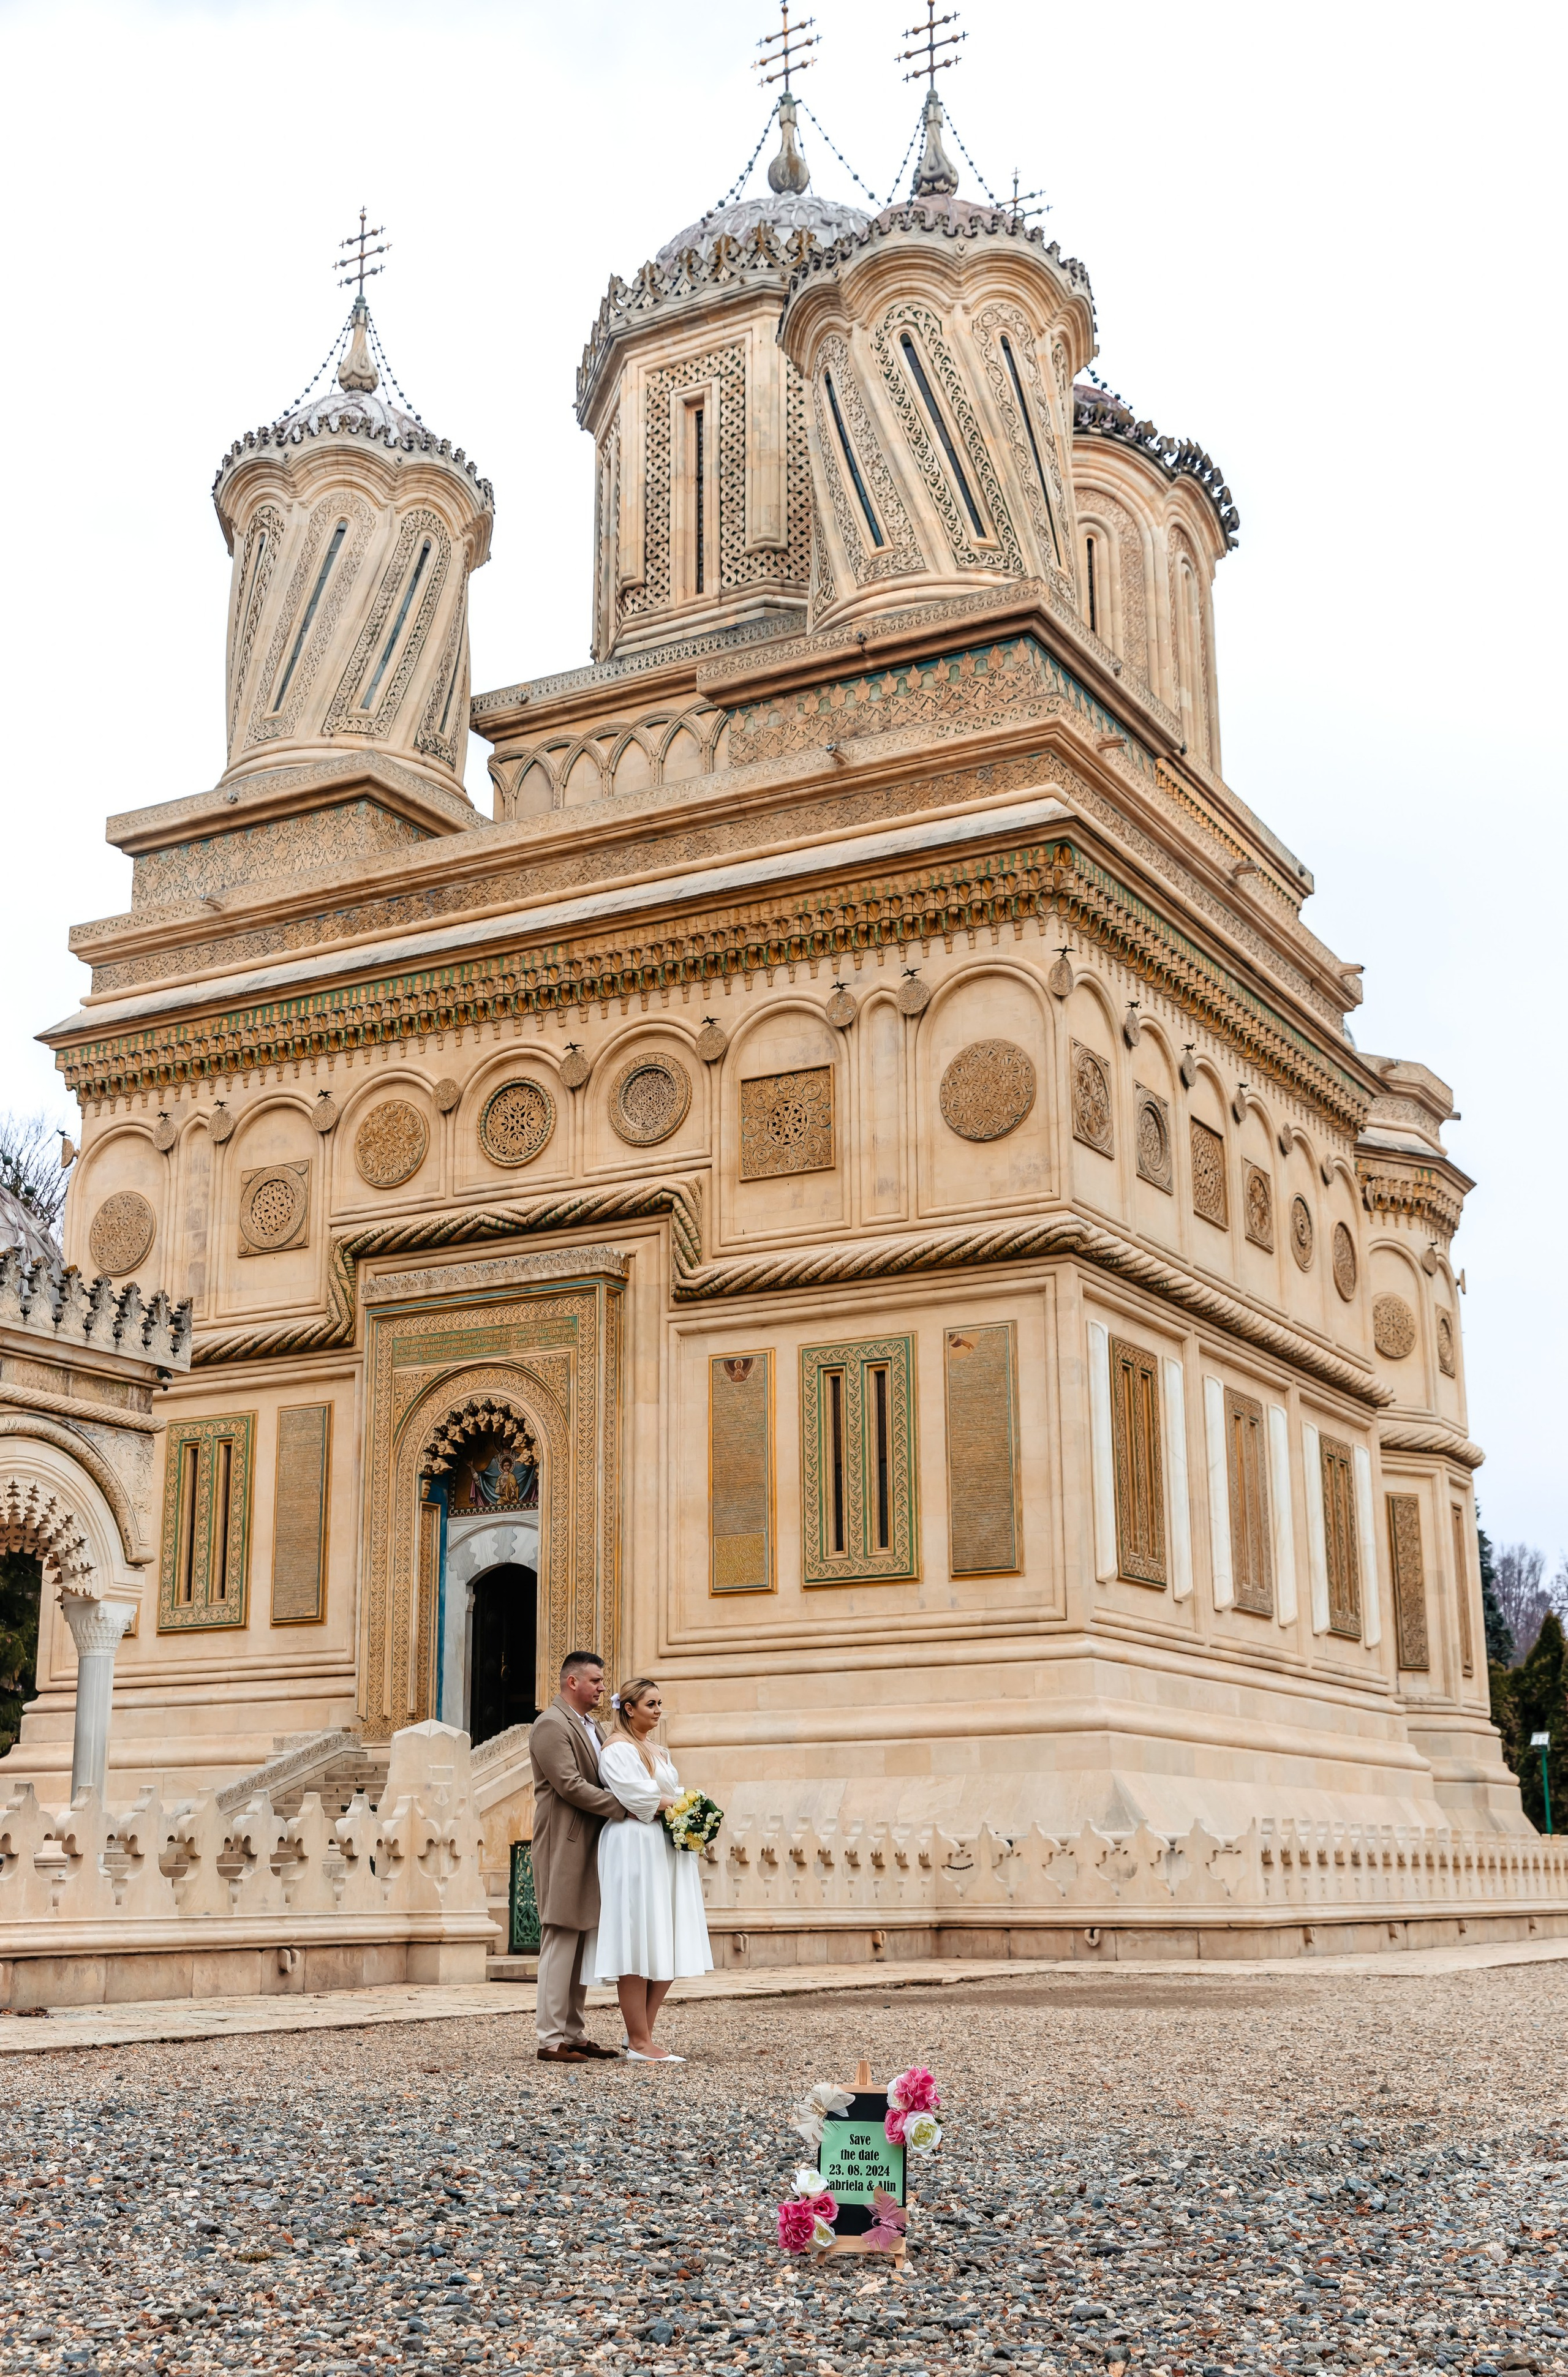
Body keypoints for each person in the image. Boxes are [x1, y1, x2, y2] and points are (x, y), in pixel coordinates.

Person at [584, 1676, 713, 2062]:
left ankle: (640, 2036)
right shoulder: (617, 1748)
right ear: (629, 1708)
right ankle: (639, 2041)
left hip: (664, 1846)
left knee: (665, 1936)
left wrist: (689, 1811)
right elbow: (637, 1796)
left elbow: (665, 1795)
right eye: (651, 1704)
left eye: (660, 1704)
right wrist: (683, 1803)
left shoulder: (656, 1749)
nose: (659, 1711)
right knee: (636, 1936)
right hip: (633, 1846)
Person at [528, 1651, 628, 2064]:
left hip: (591, 1838)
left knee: (582, 1934)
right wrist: (625, 1806)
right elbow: (569, 1784)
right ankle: (550, 2037)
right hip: (563, 1840)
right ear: (573, 1682)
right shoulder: (551, 1724)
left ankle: (574, 2031)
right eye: (596, 1680)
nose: (603, 1687)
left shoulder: (593, 1725)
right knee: (561, 1932)